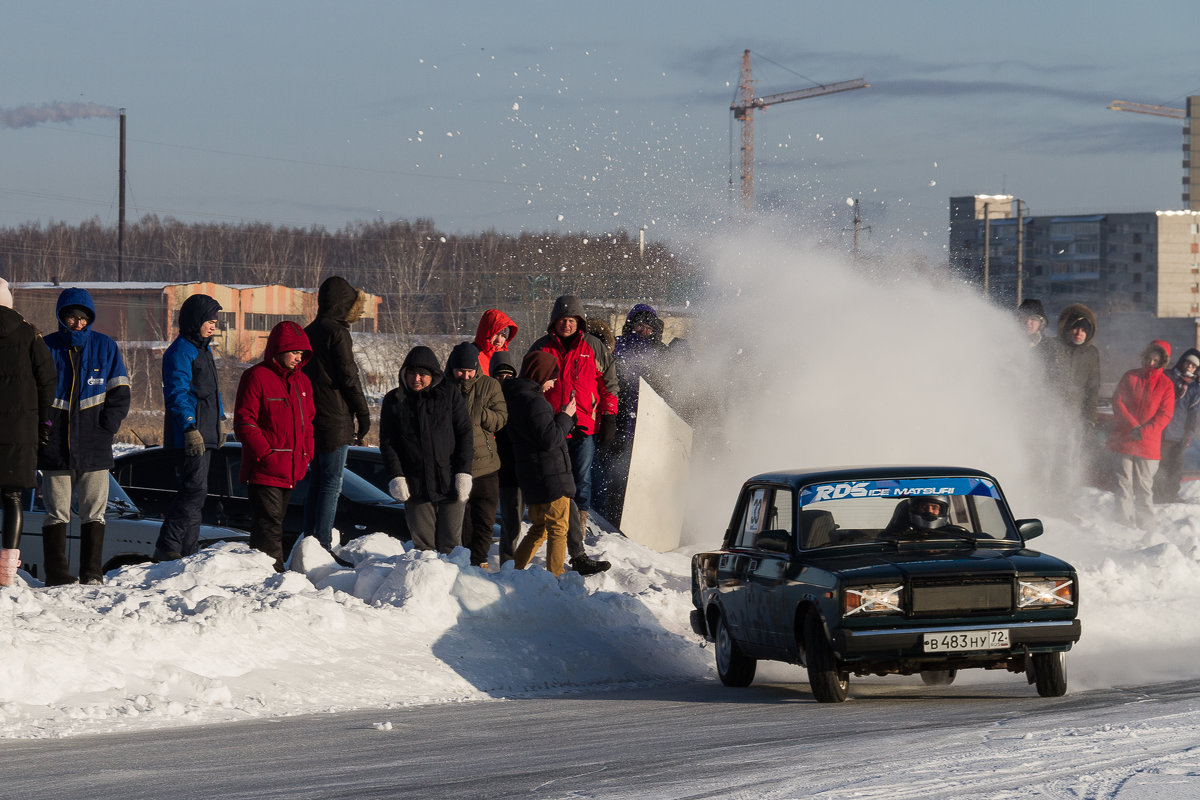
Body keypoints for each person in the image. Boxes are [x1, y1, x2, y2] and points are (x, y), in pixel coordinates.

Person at [37, 288, 132, 585]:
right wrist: (41, 427)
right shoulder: (45, 347)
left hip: (95, 446)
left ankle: (91, 572)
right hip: (54, 447)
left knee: (94, 512)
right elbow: (34, 394)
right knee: (56, 512)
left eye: (82, 318)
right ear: (60, 317)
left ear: (89, 319)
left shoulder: (106, 347)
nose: (77, 323)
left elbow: (121, 393)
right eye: (71, 317)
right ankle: (56, 573)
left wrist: (107, 427)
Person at [527, 295, 616, 574]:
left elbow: (609, 385)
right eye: (562, 319)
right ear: (554, 321)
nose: (566, 324)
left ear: (579, 322)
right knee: (560, 489)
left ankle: (578, 538)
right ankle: (565, 543)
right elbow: (527, 384)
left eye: (571, 319)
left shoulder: (594, 347)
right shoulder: (542, 347)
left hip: (583, 426)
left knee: (582, 483)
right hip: (551, 428)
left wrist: (609, 416)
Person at [234, 321, 316, 571]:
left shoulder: (303, 383)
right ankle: (272, 575)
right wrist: (266, 454)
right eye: (293, 351)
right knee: (269, 525)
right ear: (278, 350)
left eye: (301, 353)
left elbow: (309, 422)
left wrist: (306, 454)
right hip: (265, 469)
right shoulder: (257, 376)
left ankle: (270, 573)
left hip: (291, 468)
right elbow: (244, 421)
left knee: (277, 522)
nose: (297, 357)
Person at [379, 346, 473, 554]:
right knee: (424, 549)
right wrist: (396, 476)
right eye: (412, 373)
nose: (416, 379)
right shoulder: (394, 401)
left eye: (423, 374)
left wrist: (463, 472)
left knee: (451, 546)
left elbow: (465, 433)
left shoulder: (449, 395)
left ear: (434, 375)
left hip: (449, 482)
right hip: (415, 486)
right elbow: (388, 443)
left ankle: (454, 586)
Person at [154, 294, 226, 562]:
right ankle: (167, 544)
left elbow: (212, 392)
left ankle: (187, 548)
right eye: (209, 320)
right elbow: (177, 393)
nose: (213, 325)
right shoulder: (181, 351)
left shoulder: (203, 350)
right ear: (195, 320)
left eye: (215, 321)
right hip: (189, 434)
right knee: (193, 489)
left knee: (199, 491)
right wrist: (188, 427)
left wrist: (220, 419)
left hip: (206, 431)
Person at [302, 276, 372, 551]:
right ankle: (322, 542)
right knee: (332, 482)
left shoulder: (309, 331)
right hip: (336, 416)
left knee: (316, 479)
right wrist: (362, 413)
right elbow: (348, 375)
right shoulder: (338, 333)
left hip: (312, 414)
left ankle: (308, 539)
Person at [0, 279, 56, 587]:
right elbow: (48, 380)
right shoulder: (29, 334)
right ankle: (6, 573)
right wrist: (42, 418)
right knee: (12, 497)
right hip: (21, 431)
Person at [596, 304, 669, 525]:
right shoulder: (618, 347)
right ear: (632, 325)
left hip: (648, 424)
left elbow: (670, 384)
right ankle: (611, 519)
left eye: (648, 326)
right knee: (615, 475)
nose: (643, 330)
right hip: (618, 421)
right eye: (639, 325)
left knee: (642, 477)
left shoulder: (662, 352)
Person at [504, 351, 576, 576]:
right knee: (558, 529)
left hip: (532, 476)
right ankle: (557, 576)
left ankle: (514, 570)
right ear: (541, 374)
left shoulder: (517, 398)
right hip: (550, 475)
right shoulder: (535, 401)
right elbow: (550, 439)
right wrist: (566, 416)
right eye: (552, 377)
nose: (554, 383)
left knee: (539, 528)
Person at [446, 342, 507, 569]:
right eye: (460, 370)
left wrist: (479, 414)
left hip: (486, 467)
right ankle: (462, 563)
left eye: (469, 370)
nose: (465, 375)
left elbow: (501, 419)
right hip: (455, 466)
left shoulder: (489, 385)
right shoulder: (444, 387)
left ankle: (479, 561)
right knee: (462, 521)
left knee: (485, 520)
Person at [1107, 340, 1175, 528]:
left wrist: (1144, 431)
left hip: (1148, 444)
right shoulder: (1130, 377)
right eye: (1149, 359)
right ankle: (1123, 523)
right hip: (1123, 439)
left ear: (1162, 361)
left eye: (1156, 360)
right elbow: (1118, 401)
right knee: (1122, 484)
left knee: (1144, 487)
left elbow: (1165, 414)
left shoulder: (1166, 385)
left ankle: (1147, 526)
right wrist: (1133, 426)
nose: (1151, 363)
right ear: (1144, 357)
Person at [490, 350, 524, 564]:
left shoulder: (521, 399)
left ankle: (513, 563)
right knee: (504, 520)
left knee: (515, 520)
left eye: (508, 376)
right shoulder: (486, 398)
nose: (504, 380)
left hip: (518, 469)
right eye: (499, 376)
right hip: (496, 469)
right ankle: (508, 563)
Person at [1155, 348, 1200, 503]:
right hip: (1160, 430)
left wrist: (1189, 433)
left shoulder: (1194, 388)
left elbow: (1193, 413)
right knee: (1160, 465)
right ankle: (1158, 496)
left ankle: (1172, 496)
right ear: (1182, 362)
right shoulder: (1167, 376)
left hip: (1179, 435)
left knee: (1175, 467)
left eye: (1194, 366)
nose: (1190, 367)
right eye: (1188, 363)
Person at [882, 495, 961, 537]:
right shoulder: (897, 535)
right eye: (924, 507)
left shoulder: (956, 535)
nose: (929, 511)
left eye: (934, 508)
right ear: (915, 508)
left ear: (943, 510)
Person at [472, 309, 519, 377]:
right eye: (496, 334)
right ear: (485, 333)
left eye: (503, 336)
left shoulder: (505, 358)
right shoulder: (472, 356)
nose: (499, 340)